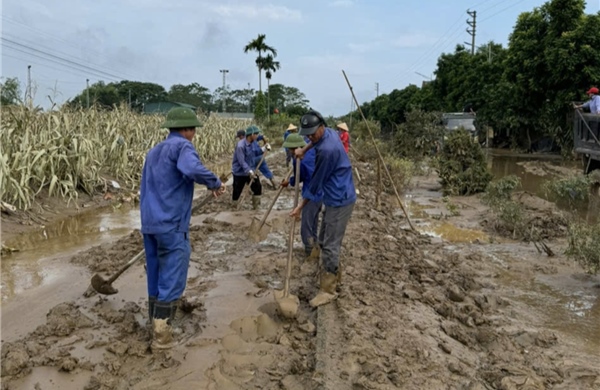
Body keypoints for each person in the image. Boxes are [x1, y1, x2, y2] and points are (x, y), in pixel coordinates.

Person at [140, 107, 225, 349]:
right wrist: (215, 182)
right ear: (187, 130)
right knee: (173, 274)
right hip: (171, 223)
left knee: (155, 273)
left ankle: (154, 321)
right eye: (193, 130)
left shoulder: (154, 151)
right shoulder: (182, 147)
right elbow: (192, 169)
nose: (194, 135)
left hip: (150, 224)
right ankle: (163, 335)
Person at [291, 110, 356, 307]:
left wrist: (300, 207)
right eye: (307, 134)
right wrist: (305, 149)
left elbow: (315, 184)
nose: (310, 137)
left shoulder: (327, 151)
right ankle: (330, 270)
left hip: (340, 198)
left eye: (312, 133)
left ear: (321, 127)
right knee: (324, 233)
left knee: (330, 244)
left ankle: (329, 289)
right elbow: (316, 141)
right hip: (334, 194)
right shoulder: (328, 132)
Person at [281, 133, 323, 257]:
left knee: (306, 225)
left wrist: (300, 205)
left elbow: (305, 177)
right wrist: (290, 182)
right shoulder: (312, 152)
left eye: (290, 149)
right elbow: (301, 176)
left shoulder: (300, 160)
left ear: (295, 148)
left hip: (312, 194)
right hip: (322, 193)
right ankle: (315, 246)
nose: (289, 152)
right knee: (313, 222)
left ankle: (310, 251)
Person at [232, 125, 263, 210]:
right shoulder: (240, 146)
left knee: (258, 187)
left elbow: (256, 152)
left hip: (252, 169)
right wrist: (249, 171)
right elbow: (241, 162)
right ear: (251, 134)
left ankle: (256, 207)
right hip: (240, 172)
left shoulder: (254, 142)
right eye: (256, 134)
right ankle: (235, 207)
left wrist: (263, 149)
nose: (257, 135)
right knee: (237, 190)